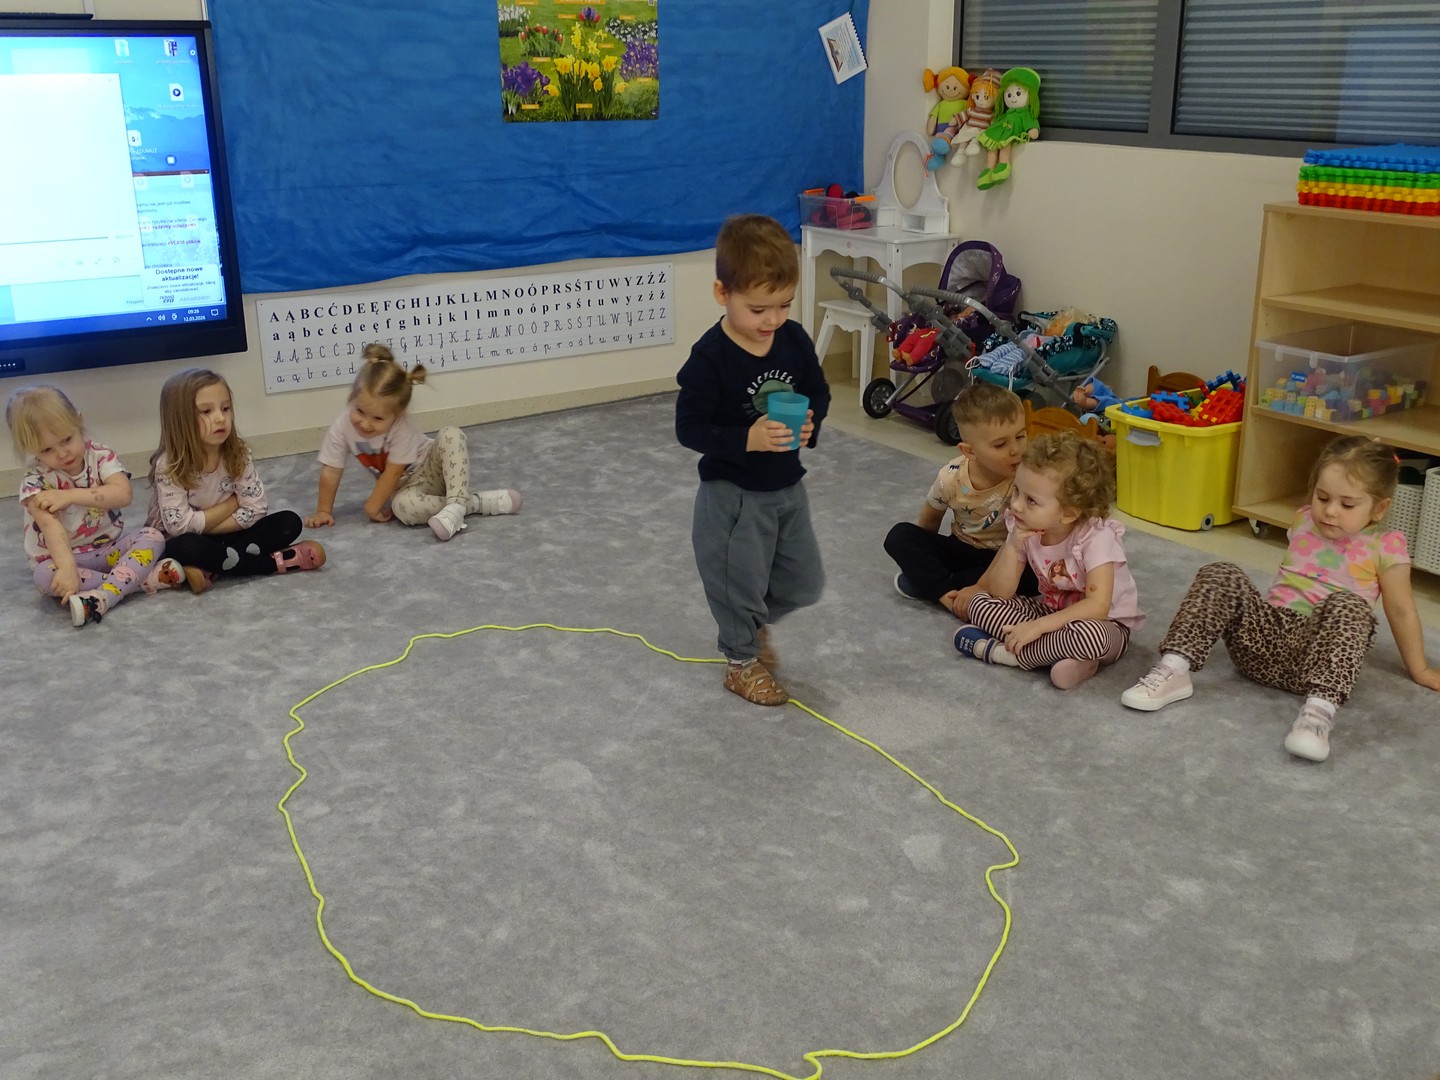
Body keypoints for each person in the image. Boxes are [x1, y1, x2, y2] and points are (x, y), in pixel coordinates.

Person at [1121, 435, 1440, 762]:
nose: (1330, 511)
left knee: (1350, 607)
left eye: (1347, 505)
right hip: (1260, 646)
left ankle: (1317, 715)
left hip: (1316, 660)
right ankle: (1174, 669)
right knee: (1221, 572)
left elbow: (1401, 610)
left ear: (1379, 508)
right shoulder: (1304, 518)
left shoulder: (1387, 545)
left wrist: (1420, 669)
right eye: (1322, 497)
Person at [675, 213, 831, 706]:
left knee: (804, 583)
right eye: (759, 308)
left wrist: (810, 424)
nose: (773, 320)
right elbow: (689, 428)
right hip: (732, 493)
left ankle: (749, 624)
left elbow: (817, 391)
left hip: (786, 485)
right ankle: (741, 660)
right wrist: (747, 438)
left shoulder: (793, 339)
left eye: (784, 305)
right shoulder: (709, 358)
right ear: (722, 294)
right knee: (735, 582)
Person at [953, 432, 1142, 690]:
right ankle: (1063, 657)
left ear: (1068, 514)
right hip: (1052, 613)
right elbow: (1001, 592)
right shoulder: (1024, 525)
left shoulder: (1097, 539)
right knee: (979, 603)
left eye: (1031, 500)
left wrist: (1037, 627)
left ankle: (1008, 655)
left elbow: (1098, 607)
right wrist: (1013, 545)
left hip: (1105, 625)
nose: (1016, 505)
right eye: (1016, 491)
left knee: (1092, 637)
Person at [304, 344, 521, 541]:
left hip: (434, 468)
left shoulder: (403, 426)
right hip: (407, 489)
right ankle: (474, 503)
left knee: (451, 434)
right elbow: (331, 471)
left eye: (378, 418)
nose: (366, 424)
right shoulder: (342, 427)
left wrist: (372, 506)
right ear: (352, 397)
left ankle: (456, 504)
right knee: (402, 508)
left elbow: (392, 472)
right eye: (359, 411)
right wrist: (324, 510)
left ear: (398, 414)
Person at [7, 384, 180, 627]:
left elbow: (123, 494)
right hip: (64, 559)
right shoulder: (35, 481)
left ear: (79, 421)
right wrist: (67, 568)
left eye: (66, 439)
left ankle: (104, 595)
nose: (62, 453)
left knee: (153, 536)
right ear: (31, 450)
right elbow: (51, 529)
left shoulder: (100, 456)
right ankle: (142, 580)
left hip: (108, 551)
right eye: (47, 450)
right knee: (44, 577)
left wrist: (69, 496)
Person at [147, 368, 324, 592]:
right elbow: (180, 527)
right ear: (180, 421)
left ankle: (213, 566)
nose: (220, 418)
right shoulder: (170, 465)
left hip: (227, 533)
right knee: (185, 546)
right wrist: (232, 503)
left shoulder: (237, 452)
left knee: (289, 522)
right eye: (206, 411)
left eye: (226, 408)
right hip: (188, 539)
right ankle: (271, 564)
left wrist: (209, 527)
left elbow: (257, 508)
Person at [884, 383, 1038, 617]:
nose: (1016, 450)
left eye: (1020, 436)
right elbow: (929, 522)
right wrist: (925, 555)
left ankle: (931, 584)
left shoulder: (1029, 474)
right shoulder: (951, 477)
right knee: (900, 536)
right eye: (1000, 444)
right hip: (961, 548)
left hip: (1008, 557)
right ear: (969, 451)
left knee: (1035, 576)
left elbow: (1033, 535)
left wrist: (978, 585)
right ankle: (948, 597)